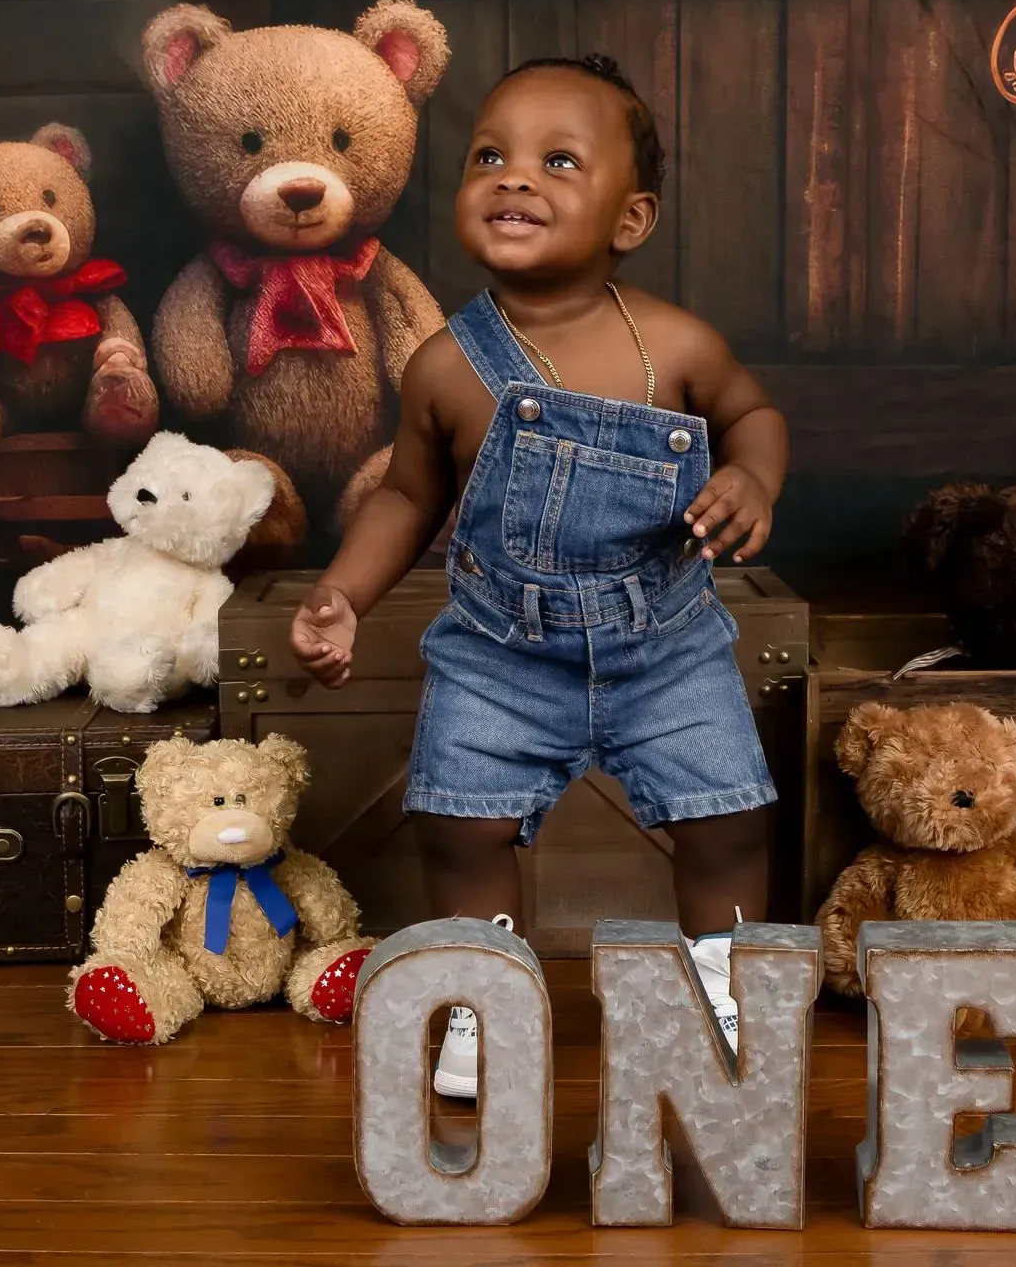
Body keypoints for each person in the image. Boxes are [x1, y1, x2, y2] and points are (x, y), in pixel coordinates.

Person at [290, 54, 788, 1098]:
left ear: (632, 216)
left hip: (665, 642)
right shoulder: (446, 366)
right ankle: (485, 1004)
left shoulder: (678, 343)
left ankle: (723, 997)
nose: (515, 177)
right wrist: (344, 592)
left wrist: (750, 473)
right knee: (460, 820)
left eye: (558, 160)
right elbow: (405, 498)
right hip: (500, 649)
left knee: (727, 816)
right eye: (490, 156)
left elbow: (753, 413)